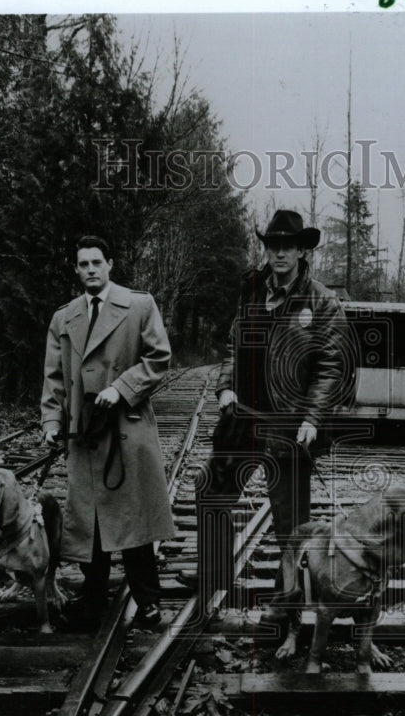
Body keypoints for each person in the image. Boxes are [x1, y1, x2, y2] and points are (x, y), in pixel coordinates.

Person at [179, 209, 352, 615]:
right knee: (211, 491)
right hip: (243, 417)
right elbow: (234, 346)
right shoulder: (253, 290)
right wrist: (225, 387)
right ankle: (214, 573)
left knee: (290, 521)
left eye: (287, 247)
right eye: (273, 246)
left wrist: (312, 418)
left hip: (289, 424)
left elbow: (331, 366)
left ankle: (286, 597)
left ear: (301, 250)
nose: (279, 254)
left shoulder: (322, 302)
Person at [41, 234, 175, 626]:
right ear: (76, 269)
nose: (90, 271)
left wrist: (121, 388)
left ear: (110, 263)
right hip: (85, 433)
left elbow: (160, 357)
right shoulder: (64, 317)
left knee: (133, 519)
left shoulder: (138, 305)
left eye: (96, 263)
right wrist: (52, 422)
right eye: (83, 265)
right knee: (90, 521)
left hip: (127, 429)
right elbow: (54, 379)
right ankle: (93, 596)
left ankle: (149, 600)